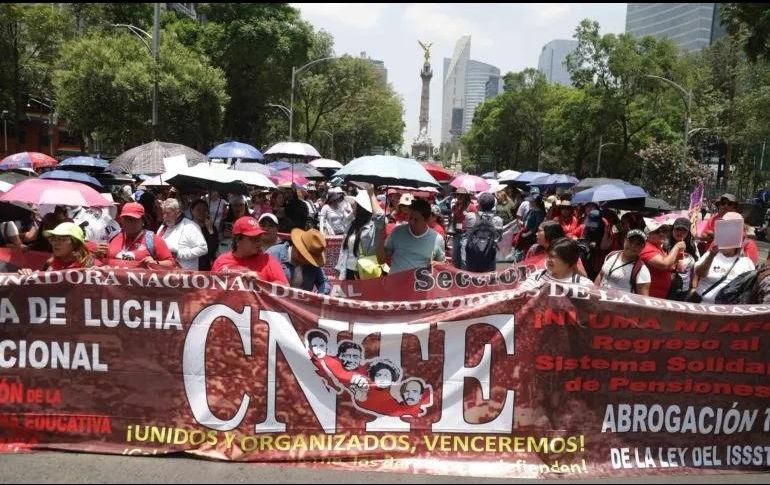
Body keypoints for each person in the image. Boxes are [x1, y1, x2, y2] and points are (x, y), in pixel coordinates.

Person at [691, 213, 756, 303]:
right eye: (724, 228)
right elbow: (699, 273)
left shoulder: (746, 263)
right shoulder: (710, 254)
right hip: (701, 306)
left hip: (726, 313)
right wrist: (711, 256)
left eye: (732, 230)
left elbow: (748, 289)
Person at [211, 216, 288, 285]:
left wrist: (261, 281)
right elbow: (210, 290)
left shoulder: (268, 261)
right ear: (238, 240)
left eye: (259, 238)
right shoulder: (220, 261)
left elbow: (286, 288)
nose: (258, 242)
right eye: (253, 239)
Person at [377, 198, 445, 275]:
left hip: (419, 285)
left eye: (416, 219)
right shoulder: (397, 232)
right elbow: (381, 259)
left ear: (427, 220)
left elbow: (442, 266)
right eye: (410, 218)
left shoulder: (437, 239)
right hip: (395, 283)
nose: (411, 222)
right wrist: (380, 236)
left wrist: (436, 265)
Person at [101, 202, 176, 268]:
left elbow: (171, 263)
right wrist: (99, 254)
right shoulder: (113, 236)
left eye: (133, 219)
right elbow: (103, 261)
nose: (129, 223)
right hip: (113, 283)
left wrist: (156, 263)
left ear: (143, 221)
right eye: (126, 219)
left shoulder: (154, 240)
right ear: (121, 220)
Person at [266, 228, 331, 294]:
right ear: (296, 245)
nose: (306, 260)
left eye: (309, 258)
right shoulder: (273, 254)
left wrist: (320, 294)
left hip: (302, 302)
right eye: (303, 255)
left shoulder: (313, 264)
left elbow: (324, 282)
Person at [518, 238, 594, 292]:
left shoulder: (584, 285)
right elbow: (519, 294)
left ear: (568, 260)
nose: (548, 260)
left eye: (553, 257)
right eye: (548, 256)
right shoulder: (538, 276)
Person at [19, 222, 97, 274]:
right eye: (53, 239)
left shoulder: (92, 268)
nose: (56, 243)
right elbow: (40, 288)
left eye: (62, 239)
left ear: (75, 244)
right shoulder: (50, 264)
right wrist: (28, 275)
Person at [336, 190, 378, 280]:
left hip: (364, 271)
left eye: (355, 205)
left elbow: (382, 219)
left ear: (361, 208)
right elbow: (344, 249)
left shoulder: (372, 227)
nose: (352, 207)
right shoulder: (352, 224)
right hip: (348, 270)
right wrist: (339, 269)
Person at [157, 198, 208, 271]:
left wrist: (179, 254)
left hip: (185, 275)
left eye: (168, 213)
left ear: (178, 213)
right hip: (165, 273)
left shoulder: (191, 226)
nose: (164, 216)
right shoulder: (163, 226)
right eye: (163, 213)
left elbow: (203, 249)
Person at [595, 229, 651, 295]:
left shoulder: (642, 271)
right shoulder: (611, 255)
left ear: (642, 247)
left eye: (638, 244)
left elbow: (643, 299)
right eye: (630, 241)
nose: (633, 246)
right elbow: (601, 275)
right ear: (625, 241)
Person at [639, 220, 685, 299]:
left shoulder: (659, 249)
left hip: (660, 296)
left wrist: (678, 256)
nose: (662, 234)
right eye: (657, 231)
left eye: (664, 231)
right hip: (648, 296)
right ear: (648, 234)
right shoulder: (646, 247)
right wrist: (677, 247)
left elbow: (674, 268)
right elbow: (663, 264)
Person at [463, 192, 503, 272]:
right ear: (493, 205)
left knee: (472, 280)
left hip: (472, 257)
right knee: (488, 281)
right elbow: (499, 239)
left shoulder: (470, 217)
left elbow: (467, 233)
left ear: (479, 204)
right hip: (489, 257)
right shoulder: (498, 220)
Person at [663, 217, 700, 295]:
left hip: (685, 290)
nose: (680, 232)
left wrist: (693, 288)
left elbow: (697, 268)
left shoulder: (693, 246)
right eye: (678, 229)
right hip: (667, 287)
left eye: (684, 230)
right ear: (672, 230)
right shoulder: (664, 244)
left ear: (688, 233)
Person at [513, 194, 546, 262]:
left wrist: (527, 234)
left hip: (531, 237)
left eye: (531, 201)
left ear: (535, 202)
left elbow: (537, 226)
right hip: (525, 235)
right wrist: (522, 223)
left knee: (528, 254)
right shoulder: (531, 211)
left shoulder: (539, 213)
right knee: (521, 254)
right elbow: (527, 221)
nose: (529, 203)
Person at [190, 199, 219, 271]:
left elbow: (212, 249)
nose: (202, 212)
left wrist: (210, 230)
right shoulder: (187, 227)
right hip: (190, 265)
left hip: (205, 266)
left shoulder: (211, 227)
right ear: (192, 211)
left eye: (205, 210)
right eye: (198, 210)